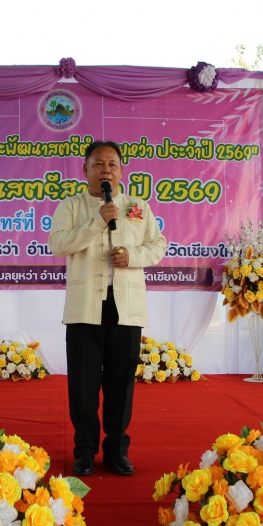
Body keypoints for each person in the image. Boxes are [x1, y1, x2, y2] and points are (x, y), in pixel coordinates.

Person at [48, 140, 166, 476]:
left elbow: (158, 245)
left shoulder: (138, 207)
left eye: (112, 164)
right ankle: (84, 452)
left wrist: (133, 256)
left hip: (125, 308)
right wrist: (97, 222)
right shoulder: (71, 206)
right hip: (85, 308)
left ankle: (117, 451)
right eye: (98, 164)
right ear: (85, 170)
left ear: (121, 171)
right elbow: (58, 244)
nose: (106, 170)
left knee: (120, 385)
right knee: (83, 386)